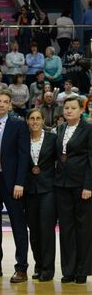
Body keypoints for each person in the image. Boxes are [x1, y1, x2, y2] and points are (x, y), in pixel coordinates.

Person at [0, 90, 30, 283]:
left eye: (6, 102)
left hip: (12, 182)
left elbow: (23, 155)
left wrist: (20, 182)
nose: (2, 104)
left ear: (10, 105)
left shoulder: (18, 125)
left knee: (18, 225)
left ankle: (21, 268)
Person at [54, 96, 92, 284]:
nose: (69, 110)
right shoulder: (60, 128)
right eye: (66, 107)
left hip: (81, 186)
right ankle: (68, 270)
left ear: (80, 110)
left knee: (83, 228)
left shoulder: (88, 129)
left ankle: (82, 270)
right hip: (62, 185)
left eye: (73, 108)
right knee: (66, 228)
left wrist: (88, 185)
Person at [25, 109, 57, 282]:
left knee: (46, 230)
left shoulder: (52, 138)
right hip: (30, 191)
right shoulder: (24, 139)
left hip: (48, 190)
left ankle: (48, 268)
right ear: (27, 121)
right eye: (32, 118)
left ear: (43, 120)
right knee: (34, 231)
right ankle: (38, 265)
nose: (35, 121)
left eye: (38, 118)